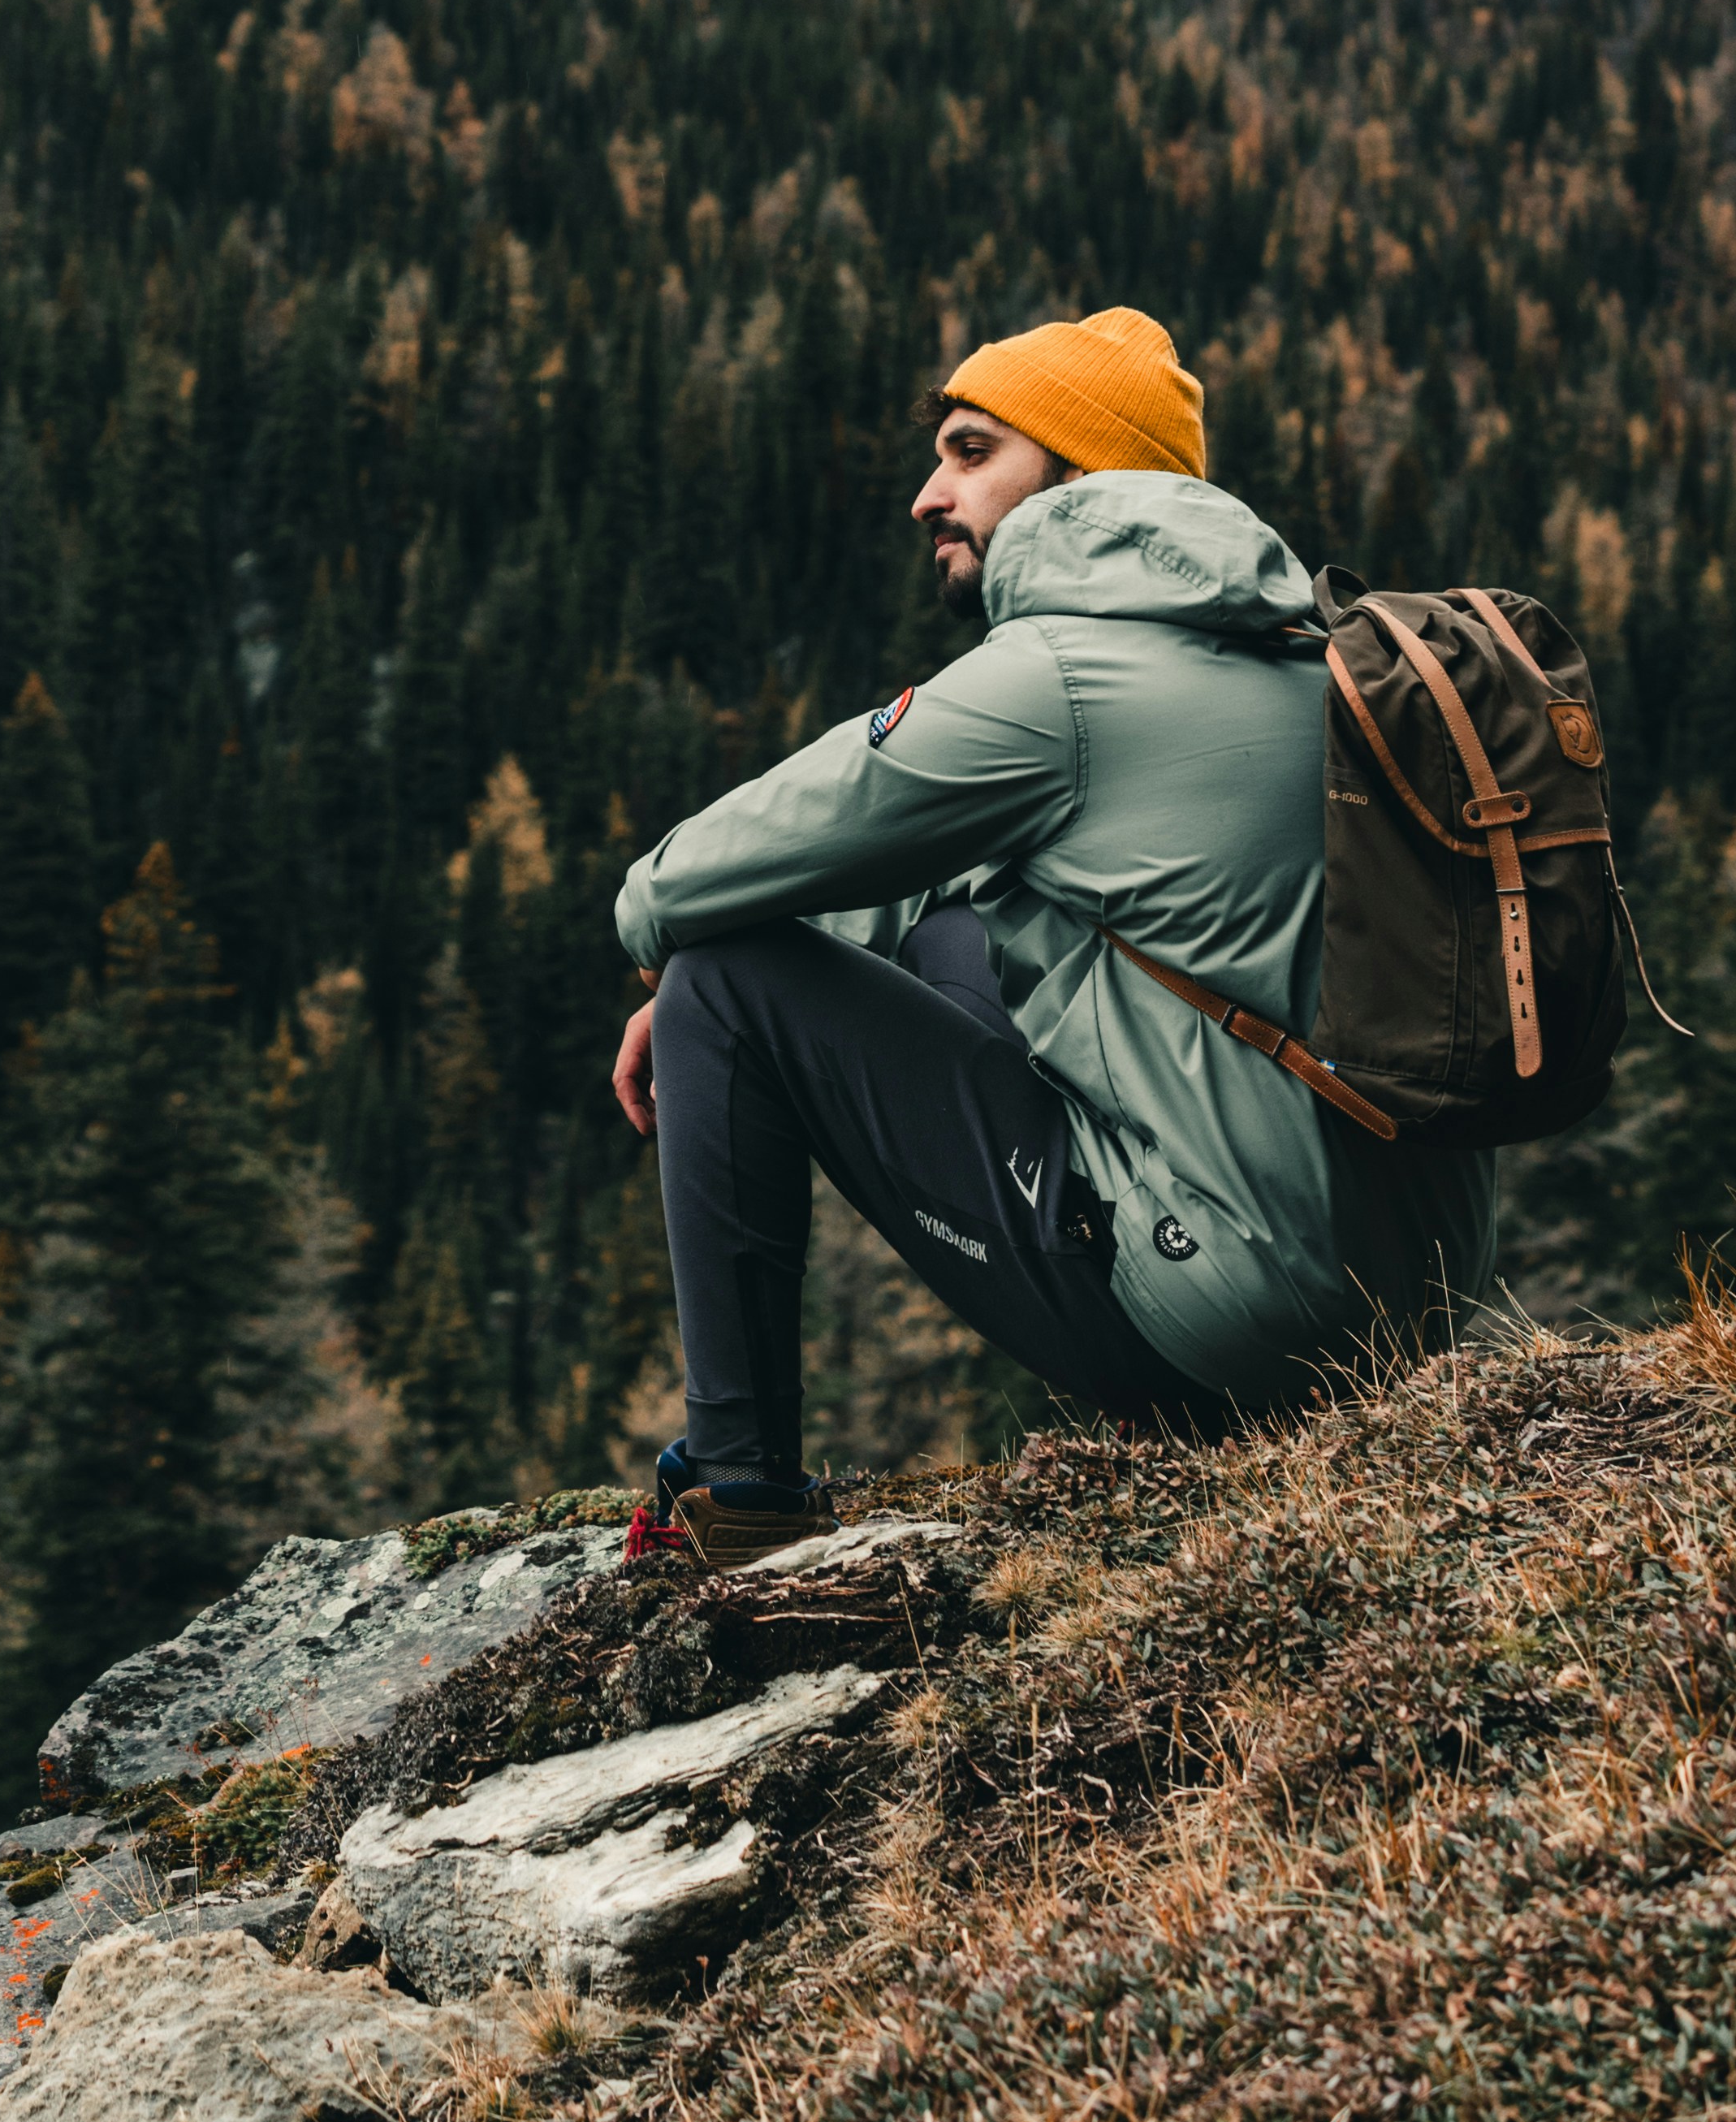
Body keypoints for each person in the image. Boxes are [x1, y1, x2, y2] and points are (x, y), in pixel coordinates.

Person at [603, 300, 1496, 1563]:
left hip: (1230, 1320)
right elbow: (936, 889)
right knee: (948, 935)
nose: (929, 495)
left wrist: (684, 994)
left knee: (728, 981)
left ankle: (738, 1492)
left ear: (1082, 478)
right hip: (1411, 1303)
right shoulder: (1307, 653)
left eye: (971, 453)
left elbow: (675, 884)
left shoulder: (1061, 679)